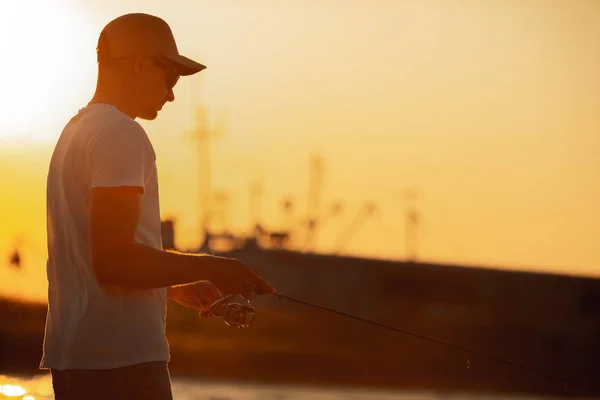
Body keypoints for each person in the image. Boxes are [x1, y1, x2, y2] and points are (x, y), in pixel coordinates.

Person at [41, 13, 276, 400]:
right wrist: (214, 267)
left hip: (75, 360)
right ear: (140, 63)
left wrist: (171, 288)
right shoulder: (121, 133)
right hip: (122, 365)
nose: (171, 94)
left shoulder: (74, 132)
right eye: (171, 78)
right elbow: (114, 262)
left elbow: (91, 258)